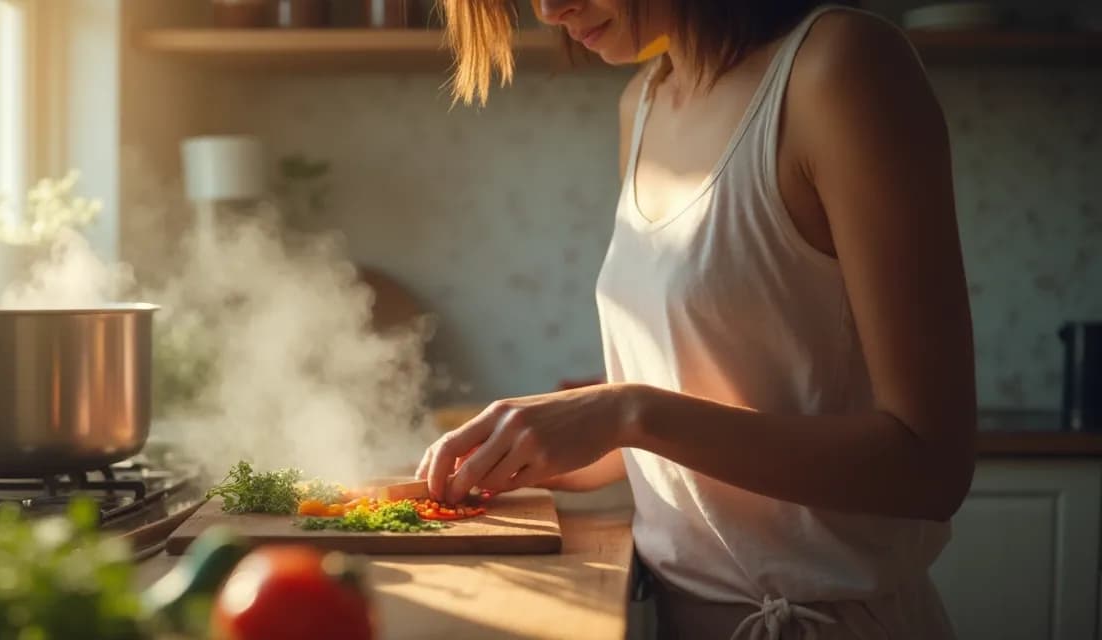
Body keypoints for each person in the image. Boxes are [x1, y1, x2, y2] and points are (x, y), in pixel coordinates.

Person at [415, 1, 976, 637]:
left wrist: (627, 412)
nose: (548, 9)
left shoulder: (840, 66)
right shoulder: (643, 103)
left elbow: (930, 468)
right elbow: (697, 415)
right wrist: (537, 448)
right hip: (673, 619)